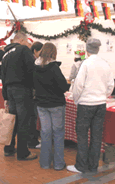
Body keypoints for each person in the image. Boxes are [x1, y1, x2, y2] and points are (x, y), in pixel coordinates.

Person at [67, 38, 114, 173]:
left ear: (87, 50)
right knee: (96, 136)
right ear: (98, 49)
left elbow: (78, 85)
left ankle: (81, 165)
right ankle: (93, 166)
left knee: (82, 136)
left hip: (86, 104)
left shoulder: (86, 64)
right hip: (100, 104)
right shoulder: (105, 64)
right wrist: (103, 96)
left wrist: (76, 100)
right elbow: (111, 85)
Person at [0, 31, 37, 161]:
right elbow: (31, 70)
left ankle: (9, 148)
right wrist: (34, 88)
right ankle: (23, 152)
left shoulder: (5, 54)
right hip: (22, 90)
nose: (28, 44)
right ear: (21, 40)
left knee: (13, 120)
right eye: (27, 42)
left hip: (9, 90)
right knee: (23, 121)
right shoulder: (23, 50)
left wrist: (5, 96)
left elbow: (2, 76)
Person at [33, 42, 70, 170]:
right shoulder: (54, 68)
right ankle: (59, 164)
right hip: (56, 104)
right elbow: (64, 87)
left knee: (45, 133)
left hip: (41, 104)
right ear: (53, 53)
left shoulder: (35, 67)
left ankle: (44, 163)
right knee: (58, 133)